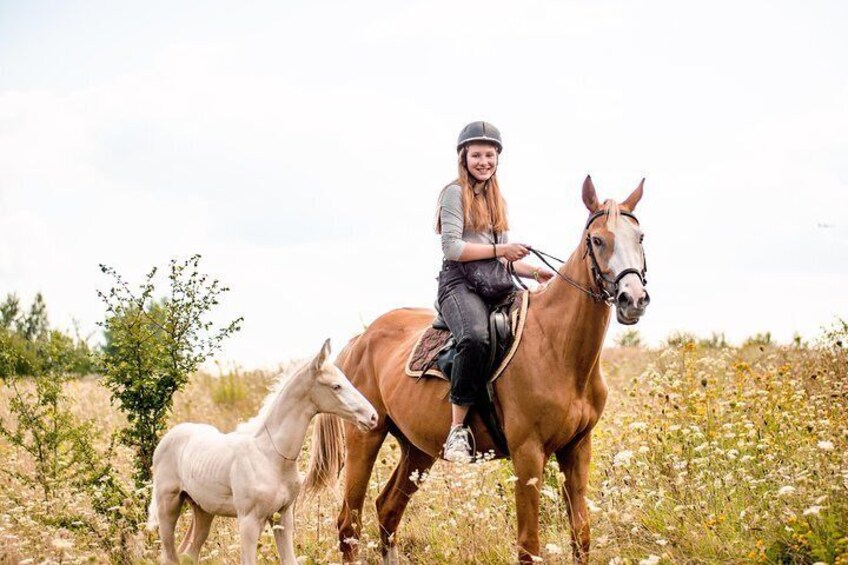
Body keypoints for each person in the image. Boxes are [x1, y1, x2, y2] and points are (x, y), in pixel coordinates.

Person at [436, 121, 555, 462]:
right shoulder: (453, 193)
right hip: (458, 282)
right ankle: (457, 430)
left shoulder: (497, 199)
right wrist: (503, 252)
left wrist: (534, 272)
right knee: (475, 337)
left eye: (490, 155)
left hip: (491, 280)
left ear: (497, 159)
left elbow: (502, 260)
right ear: (464, 157)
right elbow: (453, 249)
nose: (483, 161)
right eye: (476, 155)